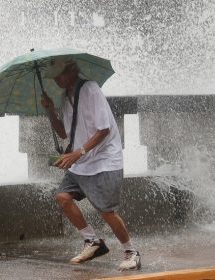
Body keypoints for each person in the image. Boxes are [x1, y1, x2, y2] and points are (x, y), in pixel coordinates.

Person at [41, 59, 141, 271]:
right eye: (55, 76)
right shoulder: (63, 98)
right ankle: (93, 242)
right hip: (81, 162)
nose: (58, 79)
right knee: (62, 197)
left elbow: (103, 129)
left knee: (106, 211)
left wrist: (79, 152)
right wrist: (50, 109)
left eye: (61, 74)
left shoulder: (91, 89)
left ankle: (131, 251)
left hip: (104, 159)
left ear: (72, 70)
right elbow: (63, 132)